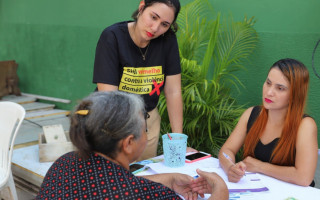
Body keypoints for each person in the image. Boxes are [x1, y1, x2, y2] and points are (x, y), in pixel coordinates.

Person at [36, 91, 228, 200]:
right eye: (144, 130)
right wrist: (220, 190)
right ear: (128, 143)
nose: (146, 135)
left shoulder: (63, 164)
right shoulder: (151, 196)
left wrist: (167, 180)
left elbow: (113, 186)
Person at [93, 0, 183, 161]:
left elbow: (173, 91)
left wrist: (177, 139)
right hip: (112, 121)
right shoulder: (112, 37)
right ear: (142, 8)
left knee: (144, 176)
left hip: (148, 122)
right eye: (153, 17)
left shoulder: (167, 40)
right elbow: (109, 97)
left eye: (164, 24)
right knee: (112, 179)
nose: (155, 28)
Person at [218, 58, 318, 187]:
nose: (269, 92)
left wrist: (259, 166)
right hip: (254, 191)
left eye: (280, 88)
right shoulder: (251, 114)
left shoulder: (305, 125)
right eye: (268, 83)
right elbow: (227, 150)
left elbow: (304, 177)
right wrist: (230, 167)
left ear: (295, 94)